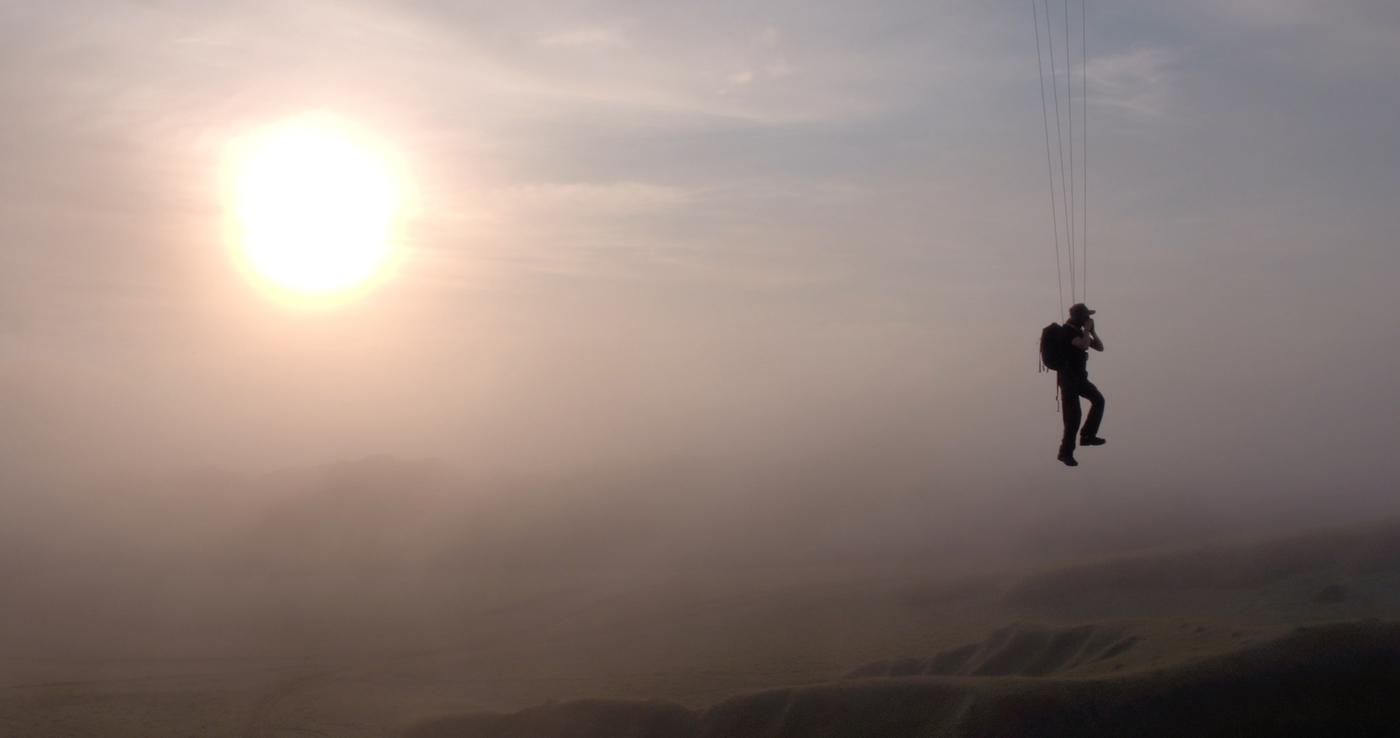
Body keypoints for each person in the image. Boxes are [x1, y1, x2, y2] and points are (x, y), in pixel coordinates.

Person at [1057, 303, 1105, 467]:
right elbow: (1083, 344)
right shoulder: (1067, 331)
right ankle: (1065, 453)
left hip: (1080, 379)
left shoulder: (1079, 331)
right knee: (1073, 417)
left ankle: (1087, 436)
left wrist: (1092, 331)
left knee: (1099, 400)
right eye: (1086, 317)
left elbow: (1099, 347)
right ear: (1079, 318)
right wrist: (1086, 331)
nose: (1088, 320)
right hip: (1069, 379)